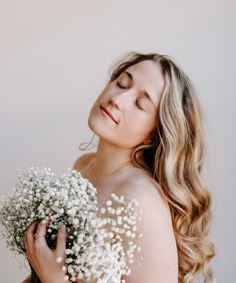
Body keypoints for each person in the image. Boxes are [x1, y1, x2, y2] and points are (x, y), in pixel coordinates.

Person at [23, 52, 215, 283]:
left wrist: (53, 279)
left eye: (140, 104)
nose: (118, 99)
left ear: (154, 135)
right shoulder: (83, 166)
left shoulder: (141, 200)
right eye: (121, 83)